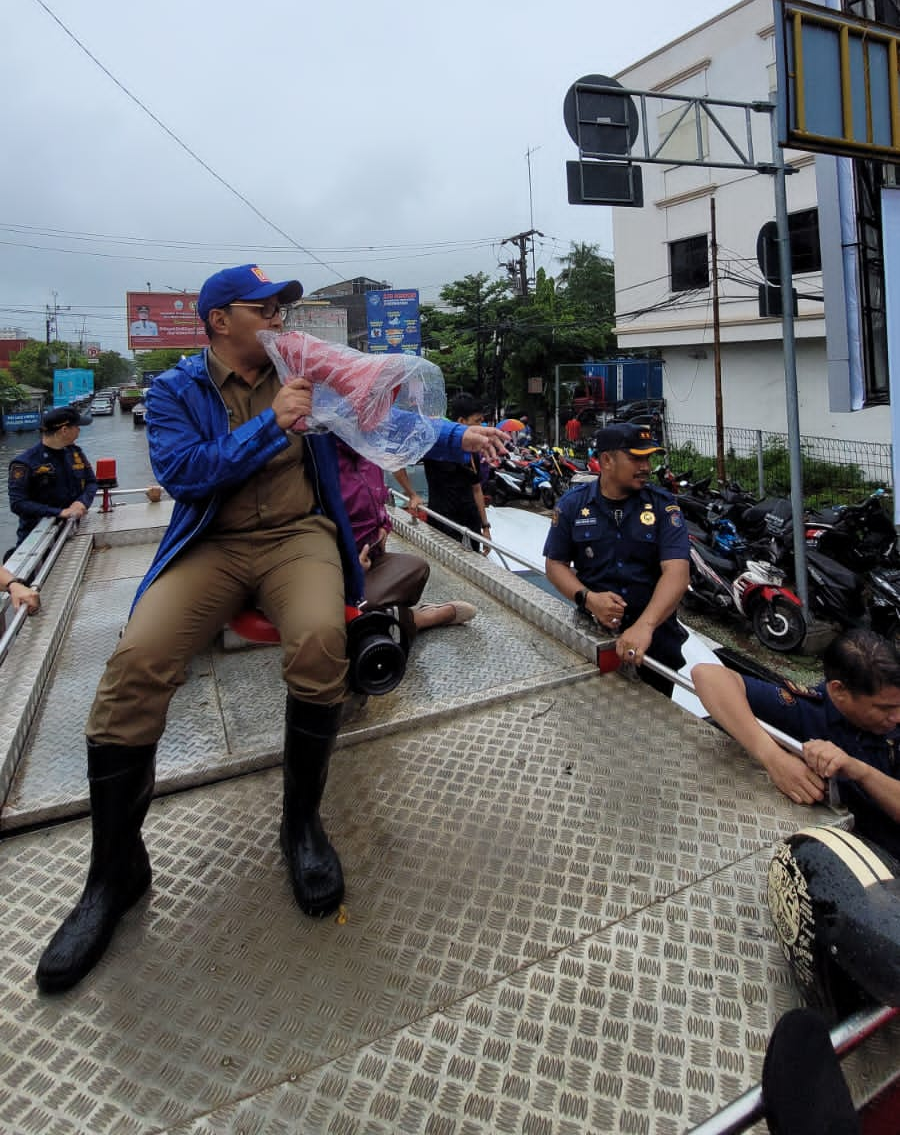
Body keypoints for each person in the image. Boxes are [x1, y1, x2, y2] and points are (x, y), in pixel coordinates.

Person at [35, 263, 507, 995]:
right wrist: (271, 423)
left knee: (322, 640)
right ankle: (114, 872)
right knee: (137, 663)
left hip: (299, 538)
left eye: (283, 311)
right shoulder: (174, 391)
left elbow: (382, 417)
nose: (281, 323)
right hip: (214, 544)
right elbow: (187, 473)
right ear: (220, 320)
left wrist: (460, 438)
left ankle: (301, 827)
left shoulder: (307, 371)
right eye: (266, 310)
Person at [691, 629, 900, 857]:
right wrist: (774, 758)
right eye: (884, 708)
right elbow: (707, 676)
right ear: (839, 691)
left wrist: (860, 772)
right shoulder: (806, 711)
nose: (896, 717)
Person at [542, 422, 708, 676]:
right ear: (607, 460)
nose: (646, 468)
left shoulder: (663, 507)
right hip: (592, 635)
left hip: (654, 642)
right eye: (636, 458)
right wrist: (588, 599)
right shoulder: (573, 505)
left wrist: (645, 626)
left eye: (648, 459)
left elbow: (677, 573)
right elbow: (555, 565)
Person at [336, 441, 476, 637]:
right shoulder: (318, 458)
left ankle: (384, 613)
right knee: (352, 616)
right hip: (333, 571)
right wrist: (348, 566)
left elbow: (379, 503)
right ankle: (420, 619)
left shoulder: (370, 453)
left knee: (418, 567)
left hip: (373, 559)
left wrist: (384, 527)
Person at [8, 406, 98, 547]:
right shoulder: (25, 463)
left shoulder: (75, 453)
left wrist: (82, 502)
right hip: (37, 540)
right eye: (77, 426)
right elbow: (18, 504)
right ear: (64, 430)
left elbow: (91, 482)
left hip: (74, 530)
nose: (79, 430)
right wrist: (60, 512)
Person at [422, 392, 491, 550]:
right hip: (442, 523)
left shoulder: (473, 450)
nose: (481, 426)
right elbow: (399, 462)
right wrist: (412, 494)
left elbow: (476, 489)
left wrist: (485, 527)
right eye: (477, 421)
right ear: (461, 421)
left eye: (482, 421)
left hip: (470, 524)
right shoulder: (435, 446)